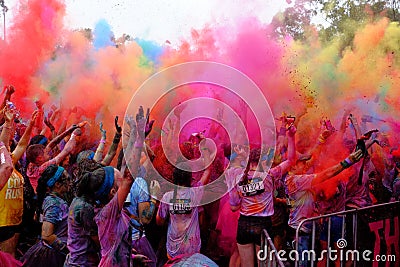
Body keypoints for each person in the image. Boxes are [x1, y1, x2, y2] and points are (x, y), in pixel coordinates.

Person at [226, 123, 296, 267]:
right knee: (263, 264)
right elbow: (291, 160)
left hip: (244, 224)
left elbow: (233, 207)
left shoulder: (239, 177)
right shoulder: (269, 175)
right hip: (263, 224)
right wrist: (291, 137)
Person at [156, 141, 213, 259]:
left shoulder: (167, 197)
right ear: (190, 177)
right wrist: (203, 145)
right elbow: (208, 170)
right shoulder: (195, 193)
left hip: (173, 247)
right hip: (192, 246)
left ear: (174, 178)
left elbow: (159, 221)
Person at [21, 165, 70, 267]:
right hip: (53, 256)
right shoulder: (54, 203)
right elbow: (47, 235)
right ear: (57, 184)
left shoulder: (52, 199)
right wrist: (67, 250)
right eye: (67, 179)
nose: (70, 182)